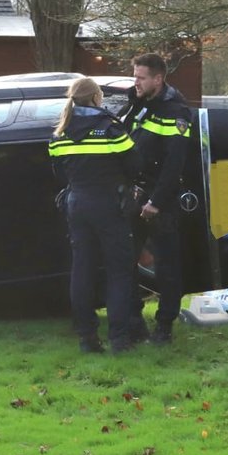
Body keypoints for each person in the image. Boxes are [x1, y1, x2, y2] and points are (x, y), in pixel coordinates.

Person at [48, 77, 142, 354]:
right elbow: (135, 165)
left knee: (82, 271)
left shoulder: (59, 133)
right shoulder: (111, 128)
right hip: (109, 204)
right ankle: (120, 339)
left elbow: (59, 173)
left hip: (76, 204)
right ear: (96, 98)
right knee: (119, 271)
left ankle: (87, 338)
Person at [124, 52, 194, 345]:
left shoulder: (175, 112)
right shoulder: (142, 103)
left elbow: (173, 165)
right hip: (135, 194)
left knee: (166, 267)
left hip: (158, 201)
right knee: (124, 261)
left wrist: (156, 202)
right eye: (134, 76)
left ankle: (164, 326)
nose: (136, 82)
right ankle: (134, 322)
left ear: (158, 78)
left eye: (141, 78)